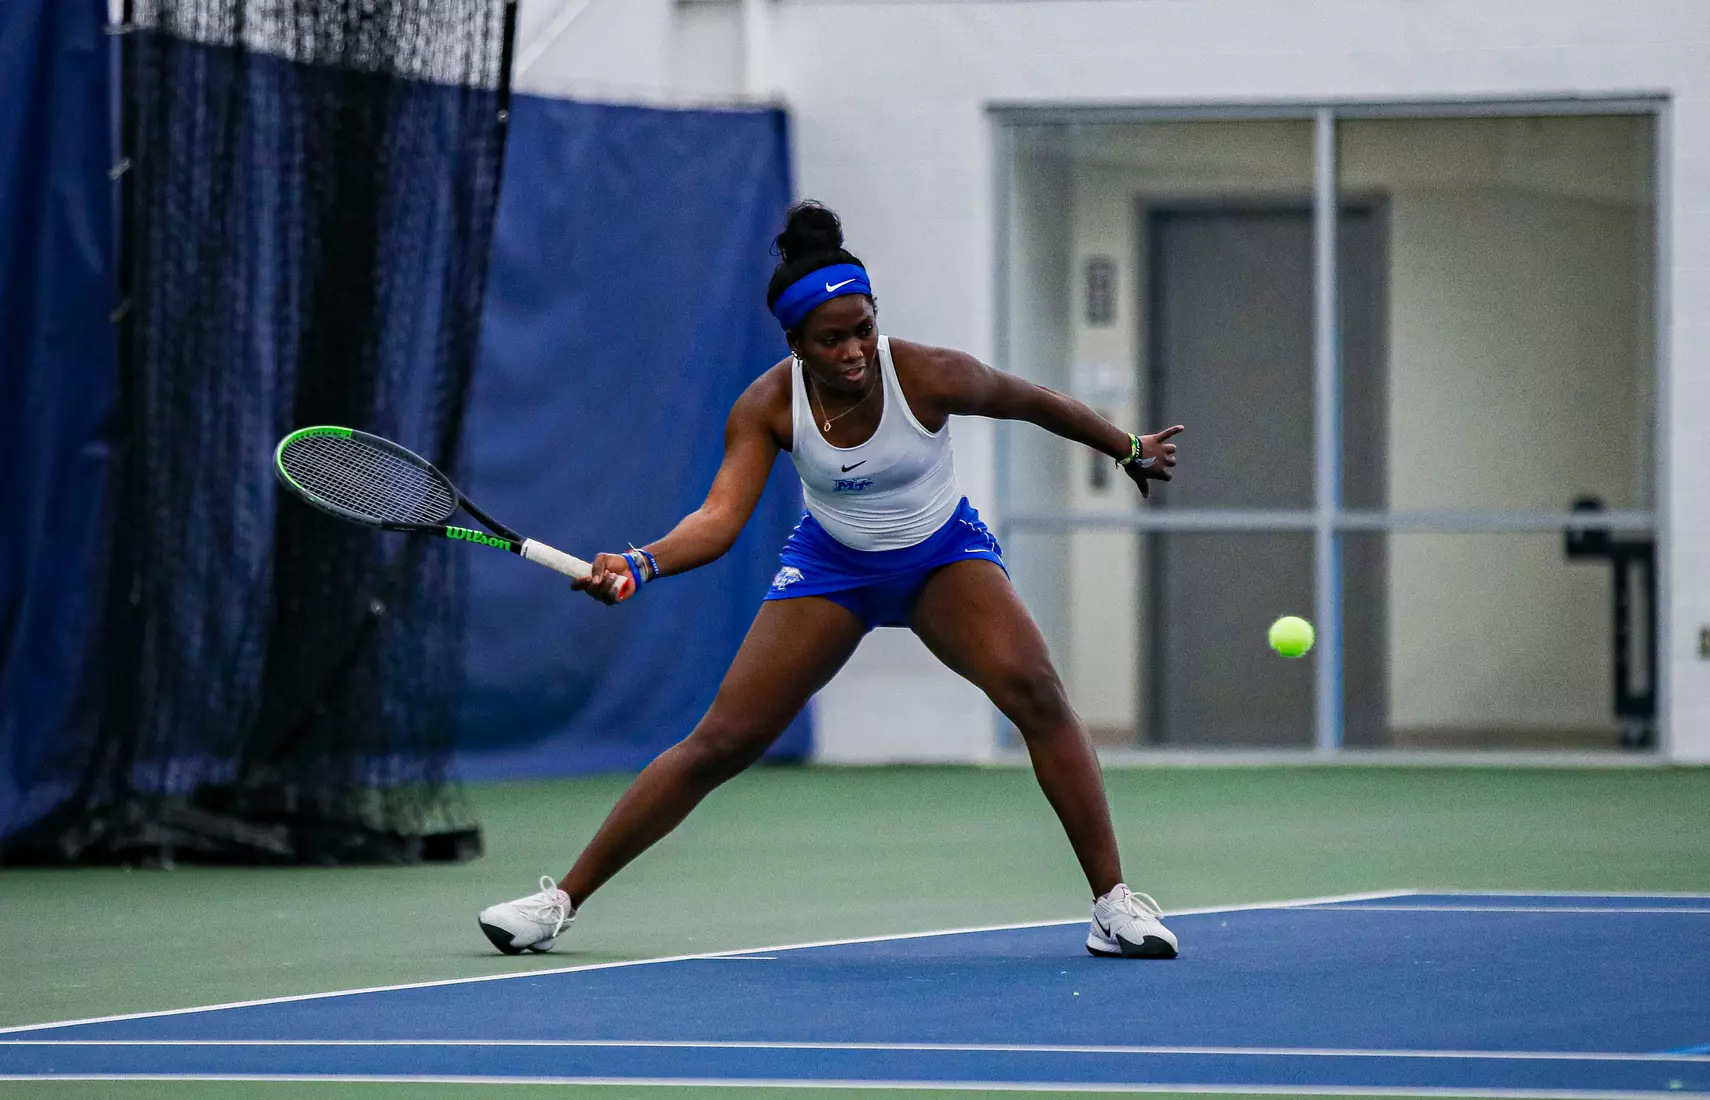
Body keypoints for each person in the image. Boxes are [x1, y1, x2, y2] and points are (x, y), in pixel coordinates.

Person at [478, 201, 1185, 959]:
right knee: (720, 741)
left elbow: (1036, 404)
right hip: (832, 567)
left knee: (1038, 694)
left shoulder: (928, 374)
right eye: (832, 339)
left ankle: (1112, 906)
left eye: (862, 329)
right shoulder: (765, 407)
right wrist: (644, 562)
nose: (853, 350)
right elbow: (718, 521)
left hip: (941, 556)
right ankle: (558, 902)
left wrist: (1126, 447)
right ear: (795, 345)